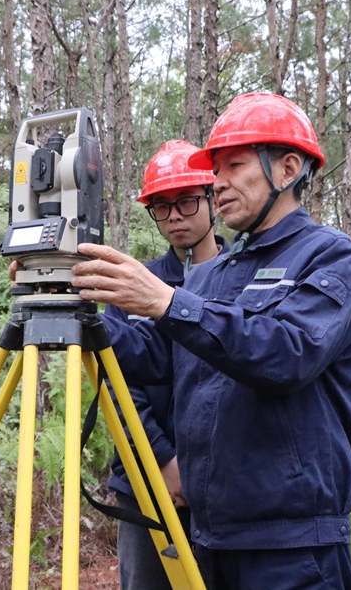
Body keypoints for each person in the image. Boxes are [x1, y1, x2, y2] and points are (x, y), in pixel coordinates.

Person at [67, 92, 351, 590]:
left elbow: (289, 353)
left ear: (289, 167)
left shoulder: (329, 256)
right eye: (216, 169)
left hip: (292, 545)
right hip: (209, 539)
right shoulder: (214, 275)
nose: (218, 181)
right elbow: (158, 357)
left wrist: (169, 303)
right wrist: (72, 307)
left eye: (233, 164)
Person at [104, 139, 226, 590]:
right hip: (143, 481)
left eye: (186, 201)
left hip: (225, 487)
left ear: (213, 200)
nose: (174, 216)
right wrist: (162, 460)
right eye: (161, 207)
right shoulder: (133, 284)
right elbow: (117, 385)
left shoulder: (244, 279)